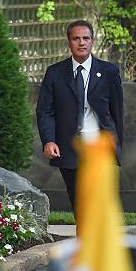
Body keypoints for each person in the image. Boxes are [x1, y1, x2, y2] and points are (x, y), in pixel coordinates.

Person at [36, 20, 124, 212]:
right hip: (69, 147)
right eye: (76, 38)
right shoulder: (55, 73)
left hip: (101, 146)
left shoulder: (109, 72)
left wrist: (116, 145)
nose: (81, 43)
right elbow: (45, 111)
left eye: (86, 38)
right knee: (79, 201)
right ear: (69, 42)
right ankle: (85, 238)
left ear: (92, 41)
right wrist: (49, 141)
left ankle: (96, 239)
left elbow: (117, 111)